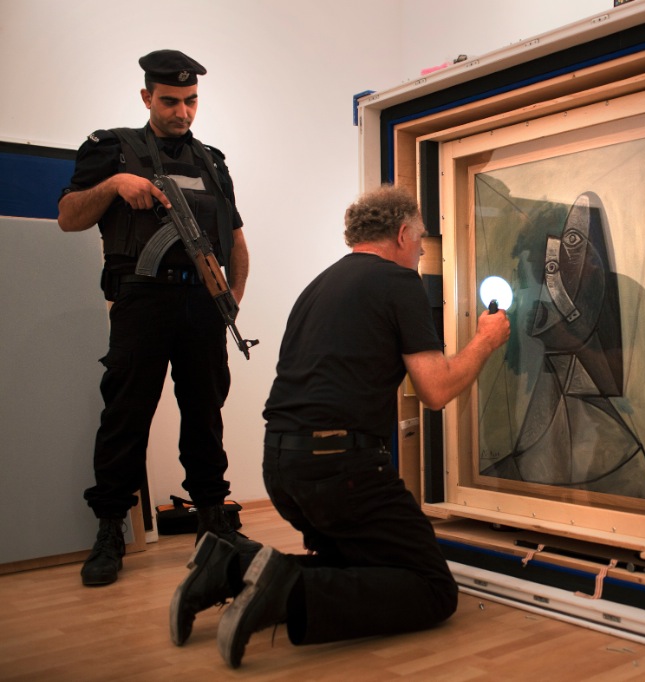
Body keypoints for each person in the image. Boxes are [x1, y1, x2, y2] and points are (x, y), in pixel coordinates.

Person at [168, 184, 510, 668]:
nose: (420, 253)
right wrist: (486, 341)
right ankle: (285, 592)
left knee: (358, 564)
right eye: (419, 241)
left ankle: (229, 567)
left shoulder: (320, 284)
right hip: (339, 471)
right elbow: (435, 390)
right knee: (433, 588)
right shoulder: (399, 282)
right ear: (402, 233)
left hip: (282, 468)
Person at [58, 49, 258, 587]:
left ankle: (213, 523)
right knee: (126, 416)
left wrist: (231, 298)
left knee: (205, 415)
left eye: (191, 101)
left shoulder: (212, 161)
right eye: (170, 101)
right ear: (147, 97)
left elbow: (236, 239)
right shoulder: (111, 148)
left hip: (202, 305)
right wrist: (114, 185)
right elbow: (68, 217)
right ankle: (110, 530)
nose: (182, 112)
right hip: (142, 301)